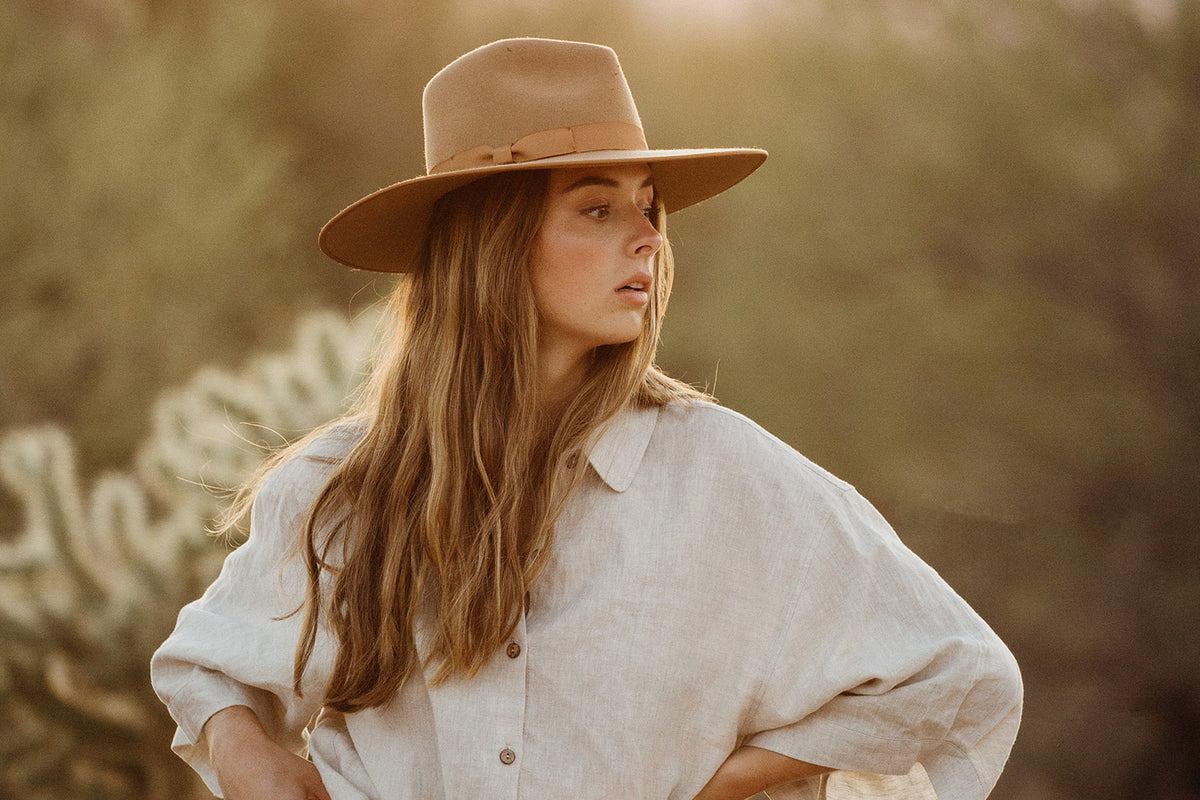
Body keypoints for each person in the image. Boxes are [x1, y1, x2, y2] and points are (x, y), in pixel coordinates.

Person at [151, 38, 1022, 800]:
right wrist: (248, 756)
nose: (647, 236)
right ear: (491, 244)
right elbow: (207, 666)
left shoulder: (726, 476)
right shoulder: (340, 488)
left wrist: (731, 785)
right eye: (598, 209)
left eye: (649, 205)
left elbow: (957, 673)